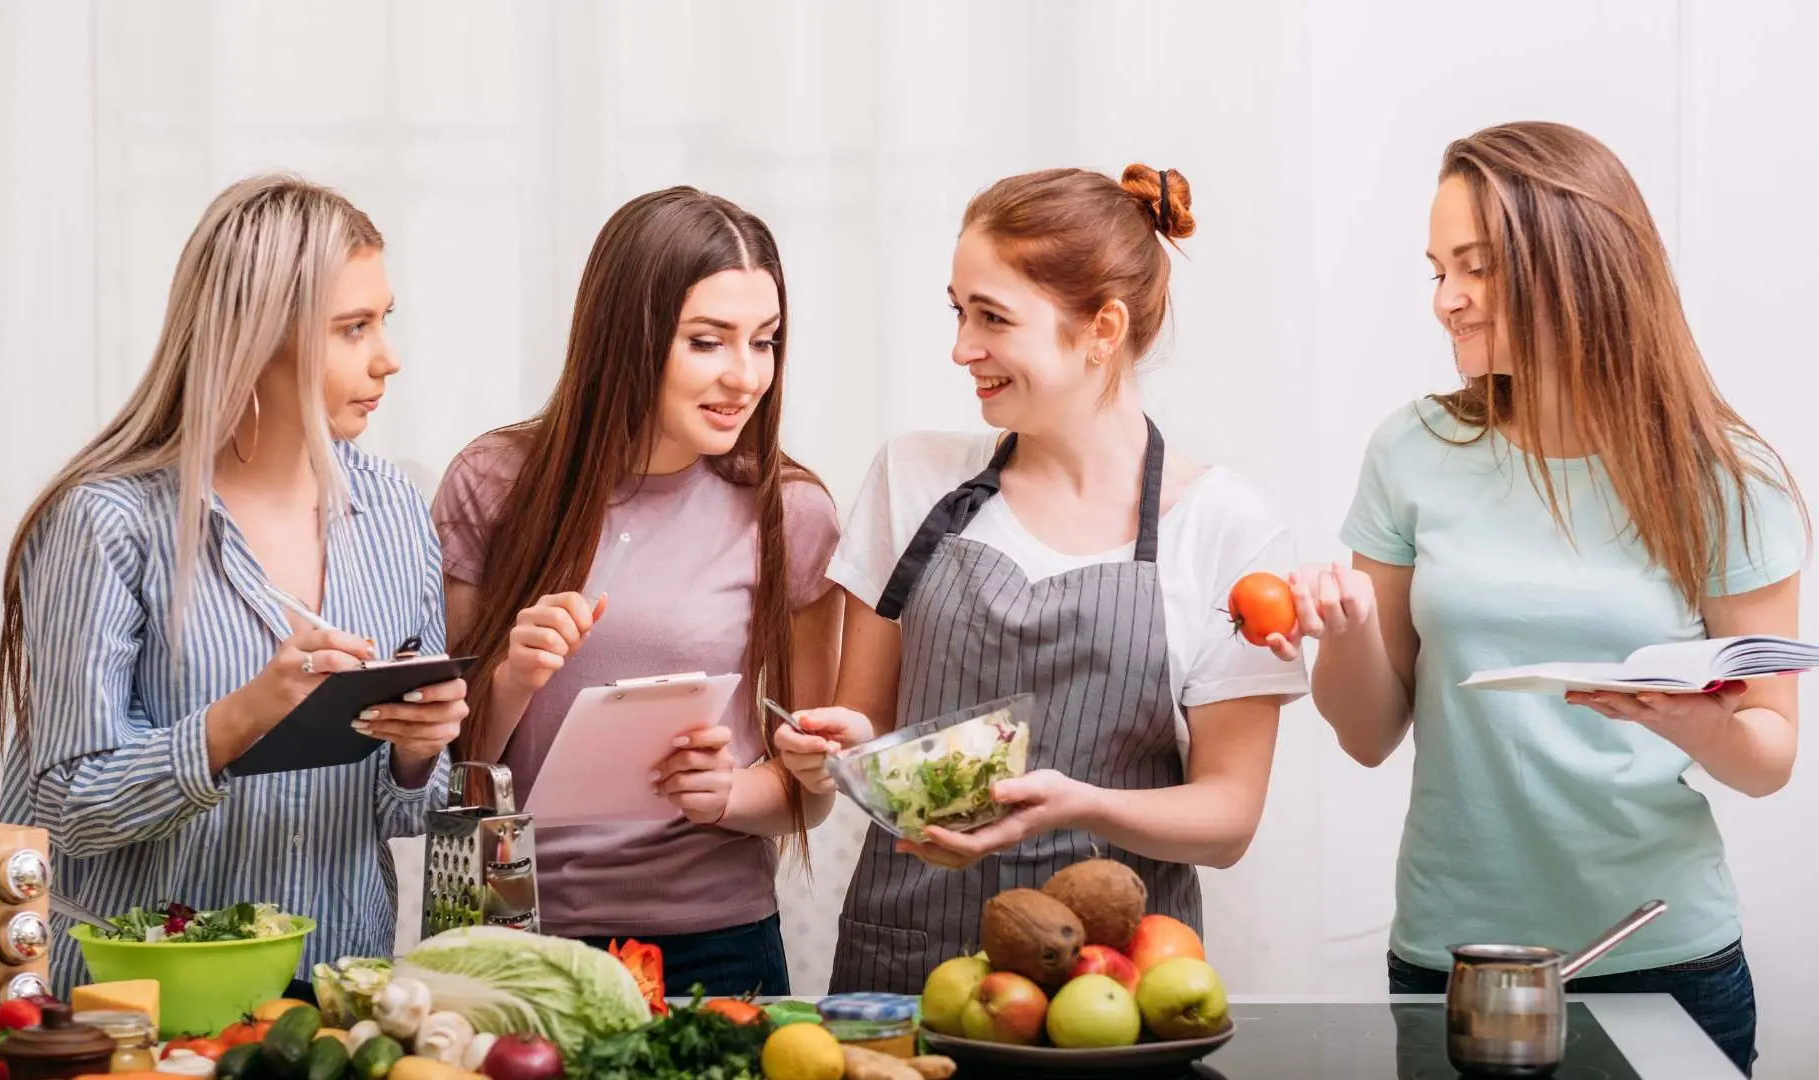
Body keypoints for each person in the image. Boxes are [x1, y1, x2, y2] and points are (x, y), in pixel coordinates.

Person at [1272, 121, 1806, 1076]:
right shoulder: (1413, 450)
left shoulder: (1726, 476)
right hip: (1457, 963)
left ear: (1578, 265)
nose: (1445, 300)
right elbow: (1365, 733)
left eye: (1473, 267)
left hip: (1662, 956)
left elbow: (1769, 755)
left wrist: (1681, 715)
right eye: (1436, 268)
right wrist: (1347, 634)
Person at [776, 165, 1309, 995]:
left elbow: (1227, 818)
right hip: (907, 962)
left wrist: (1077, 804)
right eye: (958, 311)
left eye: (992, 317)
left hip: (1112, 985)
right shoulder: (914, 478)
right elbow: (869, 723)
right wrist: (829, 751)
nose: (962, 348)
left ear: (1102, 328)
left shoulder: (1226, 527)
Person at [0, 174, 464, 993]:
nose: (388, 358)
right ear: (257, 338)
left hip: (330, 1004)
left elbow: (408, 819)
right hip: (140, 1011)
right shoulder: (108, 522)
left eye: (384, 321)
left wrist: (421, 757)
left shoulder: (394, 510)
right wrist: (238, 721)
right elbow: (63, 804)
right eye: (353, 329)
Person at [432, 186, 842, 997]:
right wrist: (513, 676)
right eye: (707, 342)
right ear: (630, 336)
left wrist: (728, 795)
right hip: (515, 936)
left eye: (764, 342)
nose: (745, 375)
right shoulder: (494, 483)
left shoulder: (790, 512)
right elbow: (445, 764)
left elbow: (808, 785)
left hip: (716, 946)